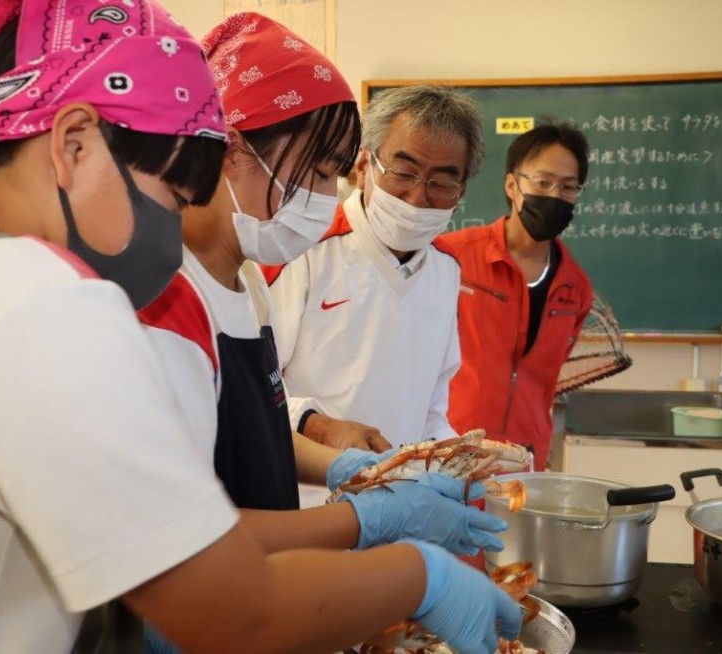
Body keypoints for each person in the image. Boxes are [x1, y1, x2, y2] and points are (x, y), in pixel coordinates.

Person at [0, 3, 521, 653]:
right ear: (73, 143)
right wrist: (416, 575)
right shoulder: (35, 303)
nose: (170, 237)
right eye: (171, 195)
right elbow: (237, 614)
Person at [137, 18, 510, 652]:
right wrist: (370, 514)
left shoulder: (245, 282)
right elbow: (173, 540)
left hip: (280, 574)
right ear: (231, 147)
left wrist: (361, 467)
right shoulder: (167, 300)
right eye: (318, 170)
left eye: (331, 173)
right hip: (229, 597)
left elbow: (252, 424)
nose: (323, 194)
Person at [264, 85, 483, 452]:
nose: (417, 198)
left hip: (404, 492)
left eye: (442, 182)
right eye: (403, 172)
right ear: (364, 166)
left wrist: (456, 457)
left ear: (461, 191)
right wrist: (317, 425)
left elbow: (431, 409)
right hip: (308, 494)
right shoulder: (301, 251)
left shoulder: (447, 270)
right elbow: (250, 386)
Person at [437, 122, 594, 470]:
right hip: (451, 450)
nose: (554, 195)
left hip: (525, 461)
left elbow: (544, 378)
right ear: (512, 184)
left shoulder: (575, 287)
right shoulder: (454, 256)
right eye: (542, 182)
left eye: (568, 187)